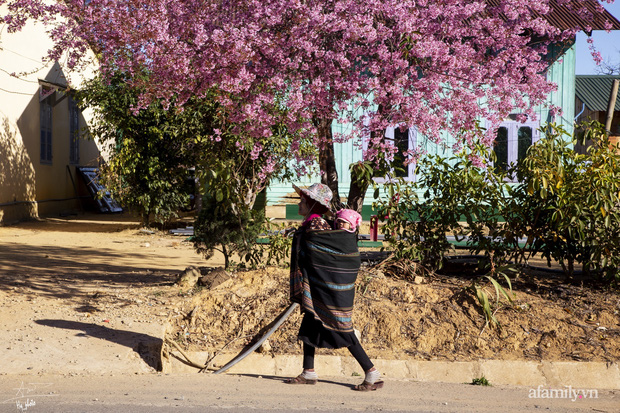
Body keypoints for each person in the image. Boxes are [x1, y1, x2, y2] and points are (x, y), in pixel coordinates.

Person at [287, 183, 383, 391]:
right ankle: (308, 372)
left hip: (329, 287)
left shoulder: (316, 226)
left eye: (302, 200)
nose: (299, 204)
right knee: (310, 323)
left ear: (312, 204)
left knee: (341, 327)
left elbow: (326, 256)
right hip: (320, 285)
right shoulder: (310, 225)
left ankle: (371, 371)